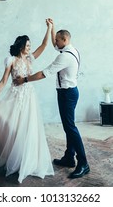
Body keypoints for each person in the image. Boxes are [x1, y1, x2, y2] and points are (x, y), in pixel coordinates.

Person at [14, 18, 90, 179]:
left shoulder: (65, 57)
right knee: (69, 126)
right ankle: (69, 157)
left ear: (65, 40)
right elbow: (56, 45)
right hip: (70, 92)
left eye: (57, 40)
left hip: (67, 94)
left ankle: (83, 163)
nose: (55, 43)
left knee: (70, 127)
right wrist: (52, 27)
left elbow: (44, 73)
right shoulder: (71, 50)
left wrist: (25, 80)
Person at [0, 20, 54, 183]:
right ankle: (13, 157)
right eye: (28, 45)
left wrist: (49, 28)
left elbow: (44, 45)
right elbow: (3, 80)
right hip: (14, 97)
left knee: (28, 128)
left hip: (29, 98)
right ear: (21, 45)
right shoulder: (11, 60)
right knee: (13, 128)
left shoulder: (30, 59)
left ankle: (26, 161)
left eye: (30, 46)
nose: (29, 48)